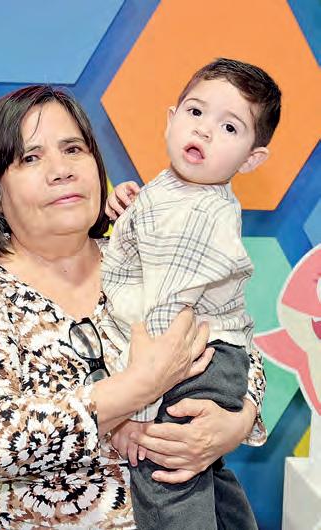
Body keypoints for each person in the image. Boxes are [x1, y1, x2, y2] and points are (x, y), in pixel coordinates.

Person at [0, 84, 264, 529]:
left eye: (73, 149)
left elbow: (236, 342)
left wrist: (237, 421)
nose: (61, 170)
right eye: (30, 158)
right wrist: (139, 387)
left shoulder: (144, 255)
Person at [102, 58, 281, 529]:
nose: (203, 130)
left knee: (166, 479)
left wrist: (138, 410)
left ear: (251, 159)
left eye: (229, 127)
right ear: (171, 118)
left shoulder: (200, 218)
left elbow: (166, 313)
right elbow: (145, 248)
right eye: (195, 112)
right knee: (204, 474)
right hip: (212, 357)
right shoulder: (177, 190)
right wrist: (129, 211)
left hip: (184, 362)